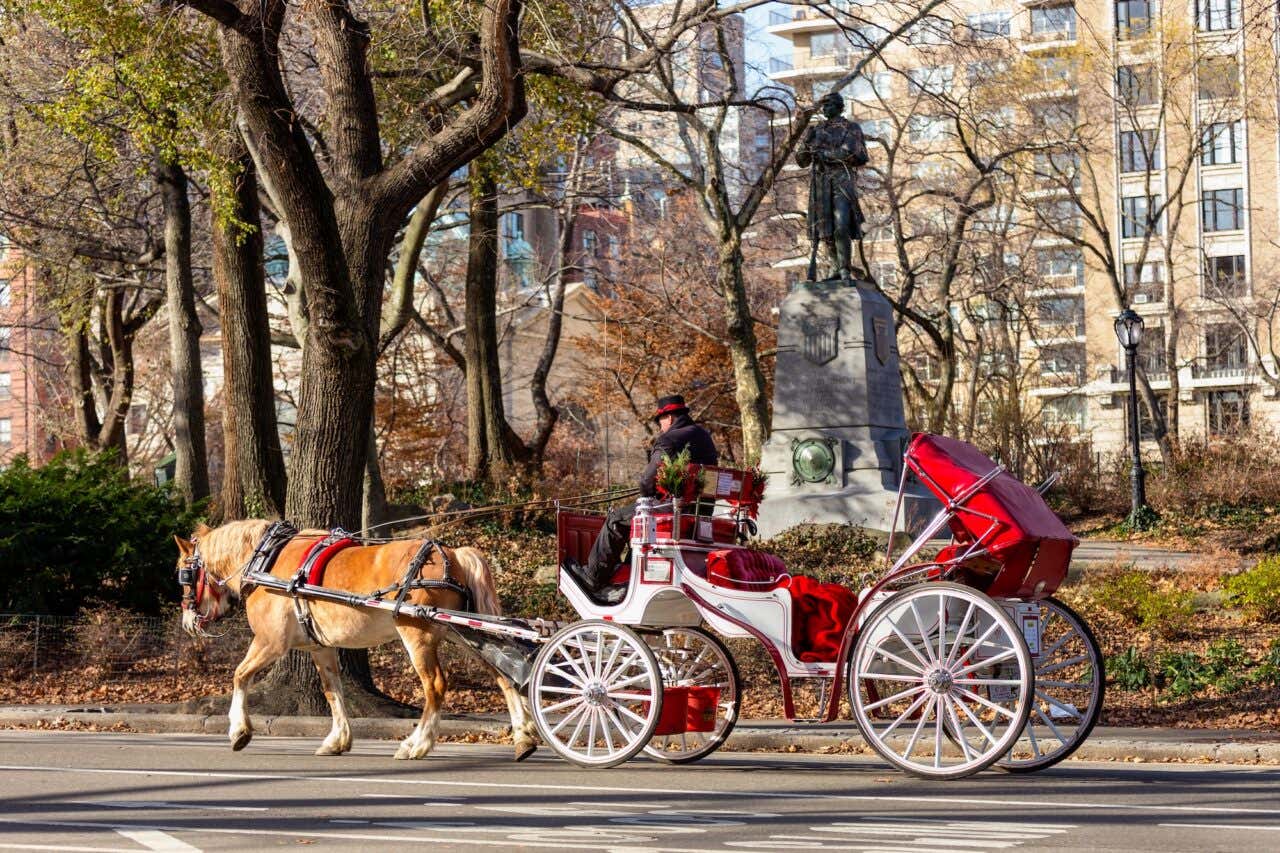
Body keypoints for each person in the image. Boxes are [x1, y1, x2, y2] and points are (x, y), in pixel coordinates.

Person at [568, 394, 718, 604]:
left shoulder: (670, 440)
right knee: (635, 518)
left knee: (615, 519)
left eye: (660, 421)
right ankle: (627, 574)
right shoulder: (704, 437)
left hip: (674, 510)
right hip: (701, 513)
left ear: (669, 417)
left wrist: (647, 498)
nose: (660, 427)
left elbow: (647, 481)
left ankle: (593, 577)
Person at [795, 91, 869, 282]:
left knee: (841, 225)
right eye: (824, 106)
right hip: (821, 183)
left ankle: (844, 268)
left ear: (839, 107)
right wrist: (806, 141)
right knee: (825, 229)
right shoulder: (816, 130)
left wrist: (825, 155)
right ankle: (835, 267)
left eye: (829, 105)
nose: (825, 109)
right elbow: (801, 160)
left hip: (841, 181)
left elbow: (856, 154)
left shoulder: (851, 127)